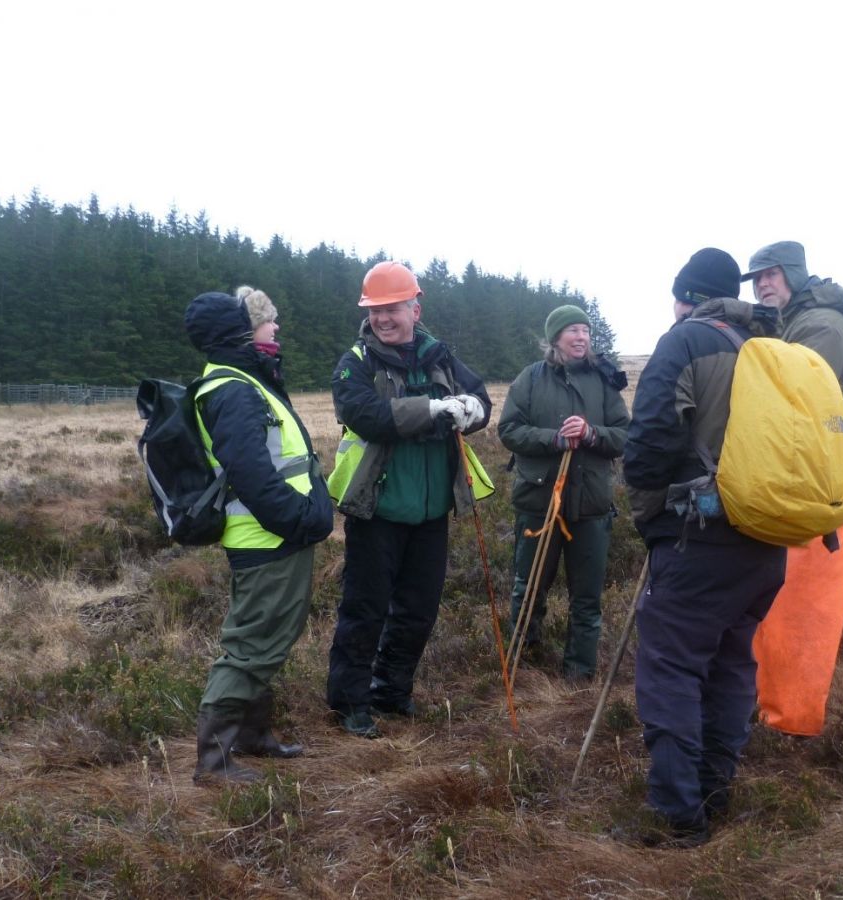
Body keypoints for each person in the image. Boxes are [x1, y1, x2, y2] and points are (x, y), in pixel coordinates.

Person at [621, 248, 786, 847]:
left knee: (671, 667)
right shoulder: (771, 343)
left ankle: (678, 816)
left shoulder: (685, 341)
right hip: (767, 540)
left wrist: (651, 520)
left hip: (700, 536)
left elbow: (650, 442)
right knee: (732, 663)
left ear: (685, 295)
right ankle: (715, 791)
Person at [326, 261, 492, 738]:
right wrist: (434, 409)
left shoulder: (439, 356)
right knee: (365, 609)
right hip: (375, 509)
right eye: (375, 310)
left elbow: (479, 395)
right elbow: (366, 415)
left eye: (392, 308)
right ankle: (350, 702)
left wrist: (472, 409)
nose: (383, 318)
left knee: (419, 609)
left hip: (432, 509)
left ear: (415, 308)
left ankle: (392, 691)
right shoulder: (355, 361)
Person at [184, 286, 333, 784]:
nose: (275, 329)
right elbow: (252, 473)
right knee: (252, 647)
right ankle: (213, 761)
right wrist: (299, 518)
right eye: (266, 322)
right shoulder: (232, 389)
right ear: (241, 331)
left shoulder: (239, 380)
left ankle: (252, 736)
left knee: (267, 638)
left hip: (272, 536)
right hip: (268, 539)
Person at [741, 241, 843, 736]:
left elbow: (789, 397)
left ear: (793, 275)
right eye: (756, 279)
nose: (762, 285)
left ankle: (792, 726)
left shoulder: (821, 326)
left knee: (805, 617)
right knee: (780, 609)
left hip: (827, 498)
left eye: (771, 275)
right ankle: (771, 710)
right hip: (806, 489)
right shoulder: (794, 323)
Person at [497, 305, 630, 681]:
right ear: (555, 338)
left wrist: (592, 434)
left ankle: (579, 675)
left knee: (587, 599)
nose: (582, 337)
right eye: (573, 330)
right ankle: (522, 665)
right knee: (529, 588)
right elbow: (509, 430)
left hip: (591, 505)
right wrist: (554, 439)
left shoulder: (603, 381)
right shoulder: (530, 379)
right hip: (539, 503)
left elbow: (623, 434)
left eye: (586, 331)